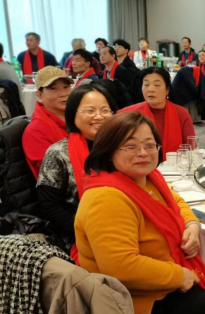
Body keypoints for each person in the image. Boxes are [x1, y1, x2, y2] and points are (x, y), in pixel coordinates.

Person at [75, 111, 205, 314]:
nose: (143, 153)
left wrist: (192, 224)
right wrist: (180, 276)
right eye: (131, 146)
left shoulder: (145, 179)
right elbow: (120, 266)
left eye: (149, 145)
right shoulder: (107, 198)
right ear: (109, 150)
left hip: (158, 280)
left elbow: (175, 200)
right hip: (135, 303)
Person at [37, 84, 117, 254]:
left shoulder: (121, 148)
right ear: (73, 114)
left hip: (122, 226)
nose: (99, 116)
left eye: (105, 110)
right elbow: (49, 206)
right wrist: (86, 233)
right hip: (77, 235)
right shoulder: (58, 153)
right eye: (89, 111)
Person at [120, 67, 195, 160]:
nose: (150, 89)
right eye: (146, 84)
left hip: (174, 166)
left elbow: (191, 148)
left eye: (157, 85)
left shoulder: (181, 113)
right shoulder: (128, 114)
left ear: (167, 90)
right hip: (138, 165)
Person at [22, 67, 73, 178]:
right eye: (53, 88)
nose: (63, 94)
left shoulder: (78, 117)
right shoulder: (36, 131)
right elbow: (52, 177)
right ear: (40, 95)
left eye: (66, 87)